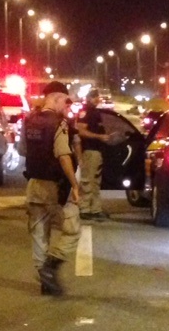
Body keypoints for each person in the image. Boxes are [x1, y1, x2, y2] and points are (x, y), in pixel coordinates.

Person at [21, 81, 81, 295]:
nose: (66, 106)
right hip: (54, 187)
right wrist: (74, 185)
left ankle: (45, 282)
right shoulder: (59, 123)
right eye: (64, 101)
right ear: (56, 98)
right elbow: (63, 155)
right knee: (72, 230)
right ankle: (51, 266)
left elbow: (22, 151)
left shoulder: (28, 121)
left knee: (39, 233)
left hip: (33, 184)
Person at [75, 88, 112, 219]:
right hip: (90, 150)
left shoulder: (96, 112)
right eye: (94, 97)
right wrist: (99, 136)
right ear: (89, 98)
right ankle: (84, 209)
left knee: (95, 182)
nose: (97, 99)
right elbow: (80, 131)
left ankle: (95, 209)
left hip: (98, 150)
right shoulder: (86, 112)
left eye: (98, 96)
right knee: (88, 181)